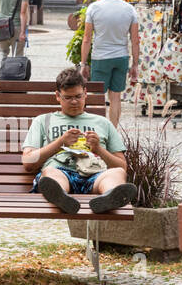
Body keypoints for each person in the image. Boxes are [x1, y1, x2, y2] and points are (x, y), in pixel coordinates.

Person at [21, 68, 137, 215]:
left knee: (117, 173)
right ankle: (61, 197)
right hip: (60, 170)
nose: (74, 102)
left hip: (95, 174)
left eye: (78, 96)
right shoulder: (43, 121)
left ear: (85, 93)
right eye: (68, 98)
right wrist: (59, 143)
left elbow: (122, 166)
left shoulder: (102, 123)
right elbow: (28, 162)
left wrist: (99, 149)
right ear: (58, 96)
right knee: (50, 173)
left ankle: (109, 197)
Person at [79, 0, 140, 126]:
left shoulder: (93, 8)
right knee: (116, 97)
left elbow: (86, 39)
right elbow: (135, 41)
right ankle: (113, 131)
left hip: (100, 57)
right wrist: (135, 65)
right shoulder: (130, 9)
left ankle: (97, 131)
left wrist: (83, 63)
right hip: (121, 57)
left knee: (97, 97)